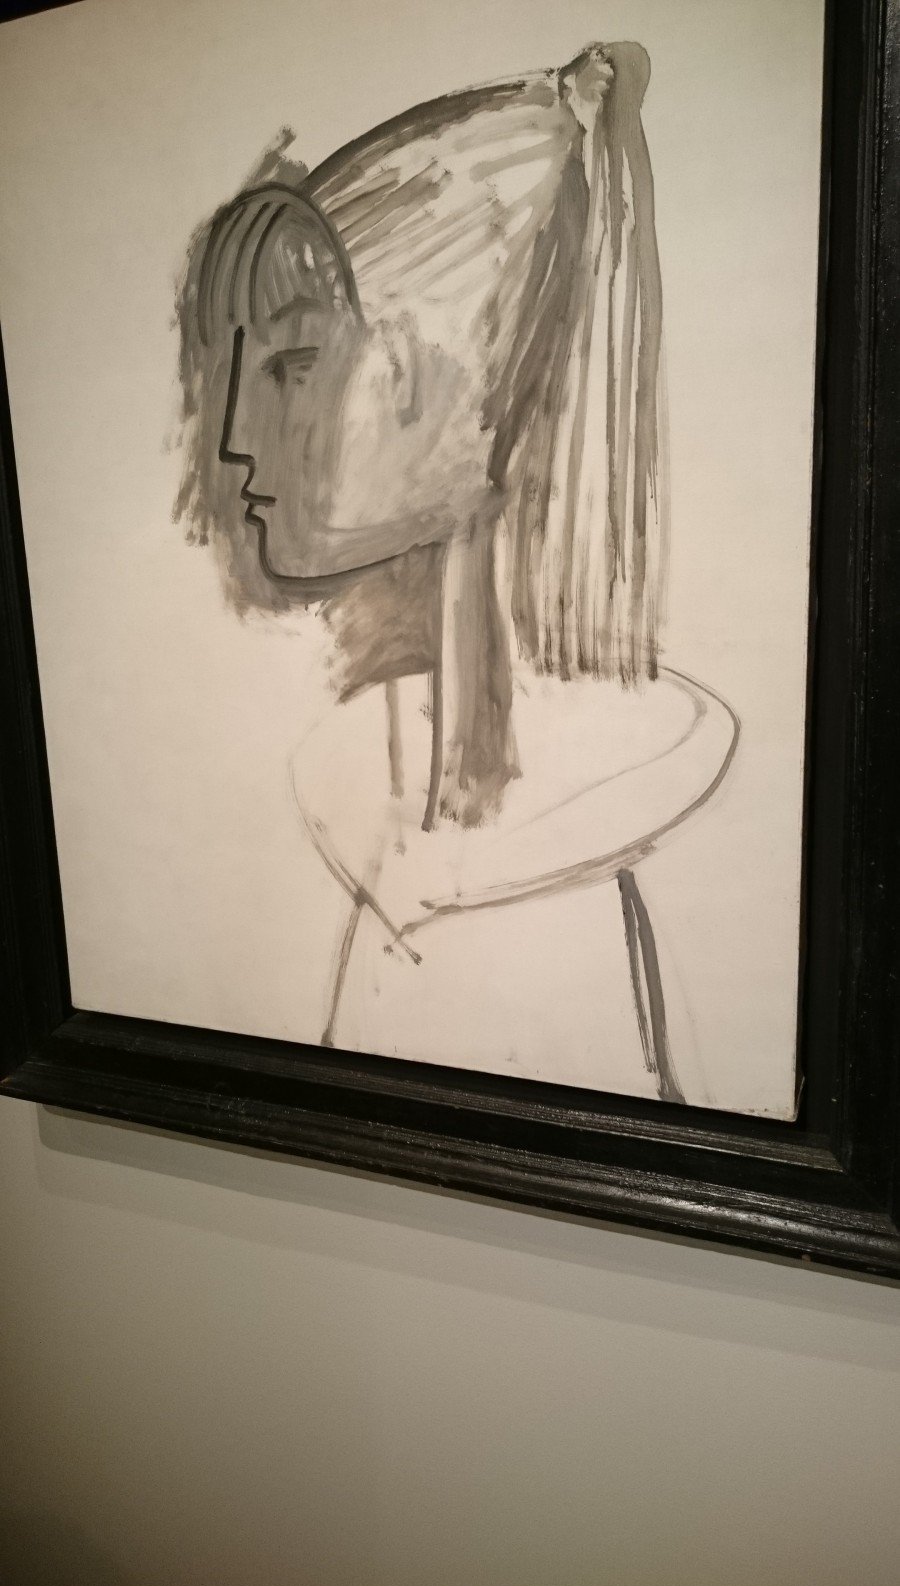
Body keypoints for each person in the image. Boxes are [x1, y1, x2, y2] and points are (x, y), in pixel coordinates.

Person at [175, 41, 739, 1104]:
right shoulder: (390, 803)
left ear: (453, 398)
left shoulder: (551, 869)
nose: (238, 441)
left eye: (293, 365)